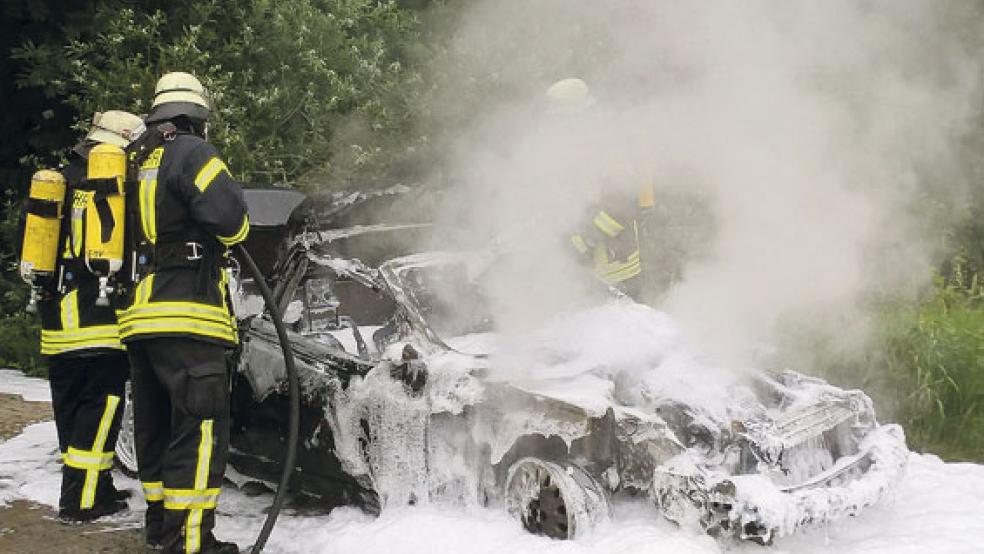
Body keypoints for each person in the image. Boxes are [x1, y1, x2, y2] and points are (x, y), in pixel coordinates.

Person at [119, 71, 249, 554]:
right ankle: (191, 542)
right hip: (190, 315)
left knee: (155, 428)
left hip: (141, 317)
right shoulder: (194, 152)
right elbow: (232, 223)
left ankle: (161, 530)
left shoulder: (133, 161)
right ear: (198, 116)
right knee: (197, 432)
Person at [33, 110, 144, 521]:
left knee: (72, 411)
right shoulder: (112, 189)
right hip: (97, 321)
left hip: (56, 322)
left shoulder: (57, 183)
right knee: (101, 411)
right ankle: (80, 501)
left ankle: (95, 487)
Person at [544, 78, 650, 301]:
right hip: (590, 272)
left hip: (615, 271)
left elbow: (621, 207)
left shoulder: (607, 148)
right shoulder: (576, 149)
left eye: (561, 122)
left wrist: (583, 241)